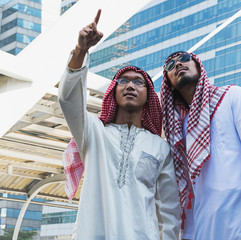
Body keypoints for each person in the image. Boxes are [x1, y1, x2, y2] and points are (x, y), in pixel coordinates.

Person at [58, 10, 180, 239]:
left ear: (149, 96)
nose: (130, 85)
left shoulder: (160, 148)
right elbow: (68, 100)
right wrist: (81, 50)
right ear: (113, 93)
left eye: (138, 82)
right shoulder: (93, 133)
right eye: (123, 81)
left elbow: (168, 211)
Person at [160, 51, 241, 240]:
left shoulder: (232, 96)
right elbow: (186, 186)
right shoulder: (177, 129)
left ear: (199, 67)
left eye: (184, 59)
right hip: (206, 222)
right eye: (170, 65)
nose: (177, 64)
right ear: (170, 85)